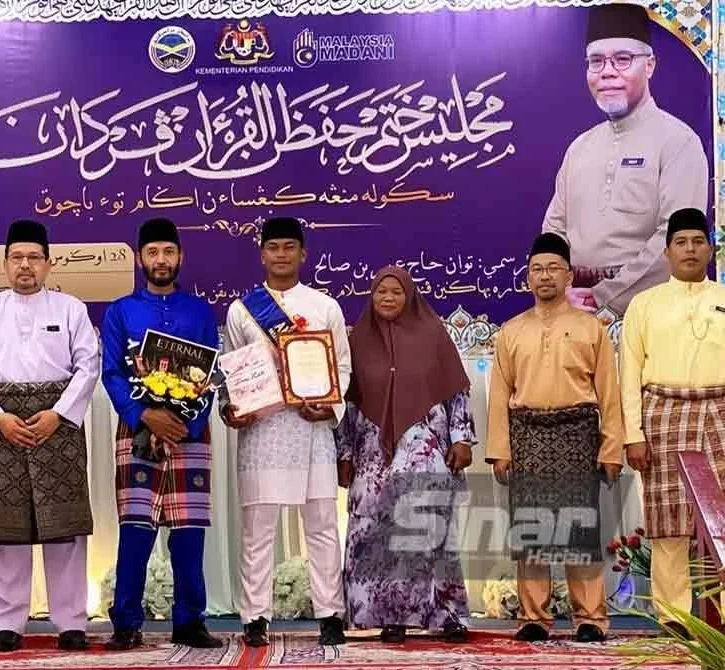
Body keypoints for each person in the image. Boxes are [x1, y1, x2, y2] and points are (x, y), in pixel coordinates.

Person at [0, 220, 99, 653]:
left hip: (58, 426)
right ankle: (6, 624)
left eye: (33, 257)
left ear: (48, 263)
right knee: (7, 531)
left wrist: (59, 414)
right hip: (4, 428)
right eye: (16, 257)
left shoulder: (71, 308)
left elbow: (88, 365)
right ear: (4, 263)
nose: (25, 266)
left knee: (65, 529)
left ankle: (71, 622)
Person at [486, 232, 623, 643]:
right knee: (532, 529)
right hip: (526, 435)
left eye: (553, 269)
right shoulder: (511, 331)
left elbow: (609, 393)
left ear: (568, 276)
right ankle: (534, 616)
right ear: (528, 278)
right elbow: (499, 396)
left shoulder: (591, 328)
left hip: (577, 434)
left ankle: (590, 618)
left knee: (580, 528)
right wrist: (499, 450)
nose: (545, 277)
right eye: (537, 270)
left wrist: (611, 446)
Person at [221, 216, 350, 647]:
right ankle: (254, 617)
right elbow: (234, 370)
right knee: (258, 530)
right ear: (262, 253)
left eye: (289, 247)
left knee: (322, 525)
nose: (281, 254)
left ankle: (330, 614)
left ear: (302, 253)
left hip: (311, 432)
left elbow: (342, 368)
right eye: (273, 247)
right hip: (263, 432)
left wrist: (329, 405)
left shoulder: (325, 306)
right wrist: (232, 408)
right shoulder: (241, 310)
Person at [335, 266, 475, 644]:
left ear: (409, 295)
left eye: (397, 292)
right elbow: (346, 404)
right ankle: (389, 616)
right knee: (376, 532)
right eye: (381, 292)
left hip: (424, 444)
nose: (388, 298)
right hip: (371, 450)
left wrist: (462, 438)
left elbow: (456, 392)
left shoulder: (433, 334)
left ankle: (447, 616)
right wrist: (344, 452)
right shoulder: (357, 341)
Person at [100, 218, 222, 650]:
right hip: (137, 434)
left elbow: (210, 376)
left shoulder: (200, 311)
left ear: (180, 257)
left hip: (190, 436)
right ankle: (126, 623)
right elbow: (111, 373)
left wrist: (185, 424)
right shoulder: (120, 312)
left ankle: (190, 620)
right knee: (136, 529)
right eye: (152, 252)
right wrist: (143, 416)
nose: (161, 260)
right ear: (140, 258)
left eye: (168, 252)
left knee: (189, 533)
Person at [541, 3, 708, 316]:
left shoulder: (678, 142)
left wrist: (603, 295)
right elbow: (554, 230)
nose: (607, 72)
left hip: (654, 316)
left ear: (649, 66)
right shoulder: (579, 148)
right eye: (596, 61)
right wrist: (565, 291)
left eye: (622, 59)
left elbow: (672, 239)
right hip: (577, 313)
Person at [619, 208, 725, 636]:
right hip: (662, 414)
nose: (690, 250)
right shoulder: (644, 305)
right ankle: (675, 617)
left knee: (724, 520)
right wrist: (632, 435)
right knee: (669, 522)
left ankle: (720, 616)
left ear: (710, 249)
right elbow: (629, 373)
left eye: (698, 242)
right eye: (680, 243)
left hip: (721, 410)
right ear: (666, 252)